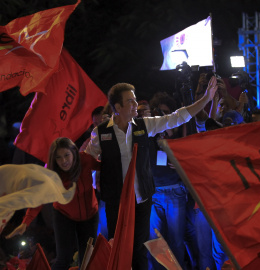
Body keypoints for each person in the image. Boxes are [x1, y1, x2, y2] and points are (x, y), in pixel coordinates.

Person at [84, 76, 218, 270]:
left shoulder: (144, 125)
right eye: (130, 101)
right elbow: (87, 162)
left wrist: (206, 99)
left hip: (142, 199)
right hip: (116, 201)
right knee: (117, 246)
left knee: (140, 249)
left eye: (135, 99)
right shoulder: (100, 132)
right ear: (117, 107)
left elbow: (177, 117)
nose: (135, 104)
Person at [7, 137, 100, 270]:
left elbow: (105, 166)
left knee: (87, 259)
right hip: (64, 215)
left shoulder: (84, 159)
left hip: (90, 214)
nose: (64, 161)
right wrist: (25, 223)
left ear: (73, 151)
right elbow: (38, 198)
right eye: (59, 157)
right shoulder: (50, 174)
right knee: (64, 258)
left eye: (66, 155)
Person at [147, 92, 188, 269]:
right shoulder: (149, 134)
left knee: (176, 241)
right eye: (159, 113)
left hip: (175, 192)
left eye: (166, 114)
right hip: (154, 192)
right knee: (155, 241)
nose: (162, 118)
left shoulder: (178, 138)